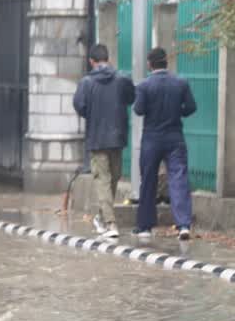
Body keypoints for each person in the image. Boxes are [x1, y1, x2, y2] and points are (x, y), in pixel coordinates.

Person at [134, 47, 197, 242]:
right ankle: (184, 225)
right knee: (178, 179)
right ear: (166, 63)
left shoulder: (144, 86)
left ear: (149, 64)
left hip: (151, 138)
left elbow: (138, 110)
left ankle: (145, 226)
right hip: (174, 136)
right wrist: (179, 113)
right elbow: (191, 107)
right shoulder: (180, 83)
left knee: (148, 181)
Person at [73, 44, 136, 239]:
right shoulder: (122, 80)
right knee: (113, 178)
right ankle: (105, 220)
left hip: (97, 137)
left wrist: (94, 115)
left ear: (91, 61)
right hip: (118, 136)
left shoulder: (86, 82)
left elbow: (79, 106)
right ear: (107, 59)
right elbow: (131, 98)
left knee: (104, 180)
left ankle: (108, 222)